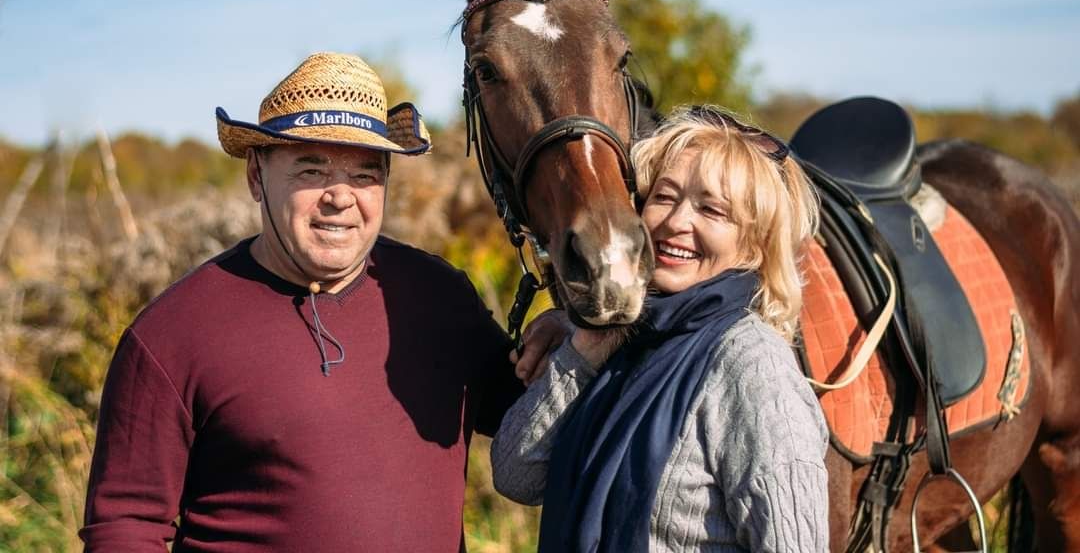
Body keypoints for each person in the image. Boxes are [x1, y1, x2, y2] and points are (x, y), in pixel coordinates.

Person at [80, 52, 566, 552]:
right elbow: (125, 525)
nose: (339, 197)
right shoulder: (172, 334)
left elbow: (531, 424)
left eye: (363, 175)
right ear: (255, 175)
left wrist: (567, 340)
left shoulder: (437, 297)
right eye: (311, 170)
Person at [493, 105, 829, 553]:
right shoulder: (627, 337)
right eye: (665, 197)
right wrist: (585, 348)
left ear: (755, 244)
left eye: (712, 210)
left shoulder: (753, 366)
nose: (675, 223)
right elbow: (516, 476)